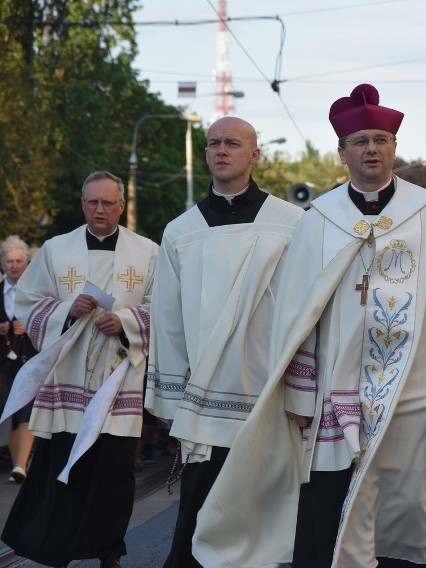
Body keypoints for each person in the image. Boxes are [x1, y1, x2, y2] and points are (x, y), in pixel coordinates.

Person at [192, 83, 426, 568]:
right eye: (360, 141)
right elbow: (297, 314)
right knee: (326, 502)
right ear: (342, 152)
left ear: (394, 148)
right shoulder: (318, 219)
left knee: (400, 503)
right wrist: (298, 394)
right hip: (331, 393)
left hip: (407, 388)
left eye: (380, 140)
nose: (371, 150)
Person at [144, 116, 304, 568]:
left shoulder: (292, 223)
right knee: (202, 503)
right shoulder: (181, 230)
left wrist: (304, 385)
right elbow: (168, 319)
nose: (220, 150)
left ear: (254, 154)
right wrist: (173, 401)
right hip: (205, 392)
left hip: (270, 387)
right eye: (213, 143)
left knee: (267, 507)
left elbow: (309, 311)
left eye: (232, 143)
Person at [1, 171, 159, 568]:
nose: (99, 210)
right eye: (92, 202)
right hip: (68, 380)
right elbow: (27, 300)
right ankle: (60, 548)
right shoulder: (56, 249)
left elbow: (166, 306)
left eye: (107, 202)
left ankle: (109, 551)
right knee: (64, 468)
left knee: (114, 472)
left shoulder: (148, 252)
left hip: (120, 379)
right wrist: (64, 310)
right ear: (82, 203)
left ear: (121, 205)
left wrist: (126, 321)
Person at [0, 236, 38, 482]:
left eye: (19, 261)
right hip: (3, 360)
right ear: (2, 263)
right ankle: (17, 463)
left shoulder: (36, 291)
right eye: (9, 261)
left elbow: (50, 320)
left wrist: (30, 326)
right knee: (8, 408)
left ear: (26, 263)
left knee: (26, 408)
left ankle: (21, 465)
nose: (14, 265)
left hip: (29, 356)